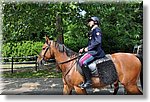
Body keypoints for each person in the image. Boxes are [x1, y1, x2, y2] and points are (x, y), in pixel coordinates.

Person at [79, 16, 105, 89]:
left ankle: (89, 81)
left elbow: (98, 41)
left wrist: (87, 48)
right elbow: (91, 43)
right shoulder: (92, 30)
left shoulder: (97, 30)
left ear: (95, 22)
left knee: (82, 62)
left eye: (90, 21)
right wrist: (84, 49)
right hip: (92, 51)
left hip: (96, 52)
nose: (89, 23)